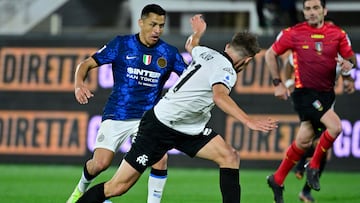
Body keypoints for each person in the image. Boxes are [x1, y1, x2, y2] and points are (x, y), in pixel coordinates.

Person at [75, 14, 278, 203]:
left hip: (188, 128)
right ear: (248, 60)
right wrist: (248, 120)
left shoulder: (205, 53)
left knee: (229, 156)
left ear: (228, 46)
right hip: (160, 127)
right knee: (116, 188)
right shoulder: (227, 71)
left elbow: (191, 45)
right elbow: (220, 96)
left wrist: (198, 32)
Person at [66, 4, 188, 203]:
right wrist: (79, 84)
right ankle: (80, 189)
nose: (157, 30)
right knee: (99, 164)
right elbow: (86, 64)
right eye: (153, 24)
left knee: (161, 158)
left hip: (147, 119)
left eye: (161, 25)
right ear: (141, 23)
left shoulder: (169, 53)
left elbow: (191, 78)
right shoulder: (122, 44)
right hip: (117, 114)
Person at [264, 0, 357, 203]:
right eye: (308, 8)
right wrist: (278, 83)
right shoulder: (294, 33)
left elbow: (352, 60)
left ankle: (277, 178)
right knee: (335, 127)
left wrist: (348, 67)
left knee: (304, 140)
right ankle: (313, 167)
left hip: (326, 94)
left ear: (324, 10)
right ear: (304, 12)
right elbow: (271, 54)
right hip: (304, 93)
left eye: (316, 8)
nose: (312, 12)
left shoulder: (338, 35)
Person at [283, 52, 355, 202]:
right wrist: (289, 85)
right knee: (315, 142)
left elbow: (347, 74)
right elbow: (288, 64)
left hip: (327, 106)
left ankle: (301, 176)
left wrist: (349, 82)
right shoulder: (306, 48)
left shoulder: (338, 56)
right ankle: (301, 172)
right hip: (311, 102)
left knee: (315, 145)